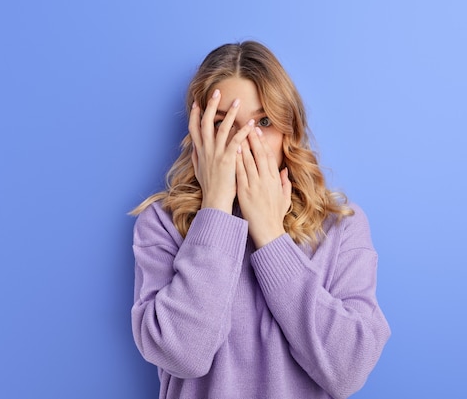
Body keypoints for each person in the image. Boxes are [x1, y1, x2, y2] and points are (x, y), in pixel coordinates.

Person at [130, 40, 390, 399]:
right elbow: (182, 355)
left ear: (289, 131)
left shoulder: (340, 228)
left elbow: (347, 371)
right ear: (199, 132)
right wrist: (217, 207)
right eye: (223, 124)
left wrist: (270, 235)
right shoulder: (162, 224)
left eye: (264, 122)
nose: (245, 141)